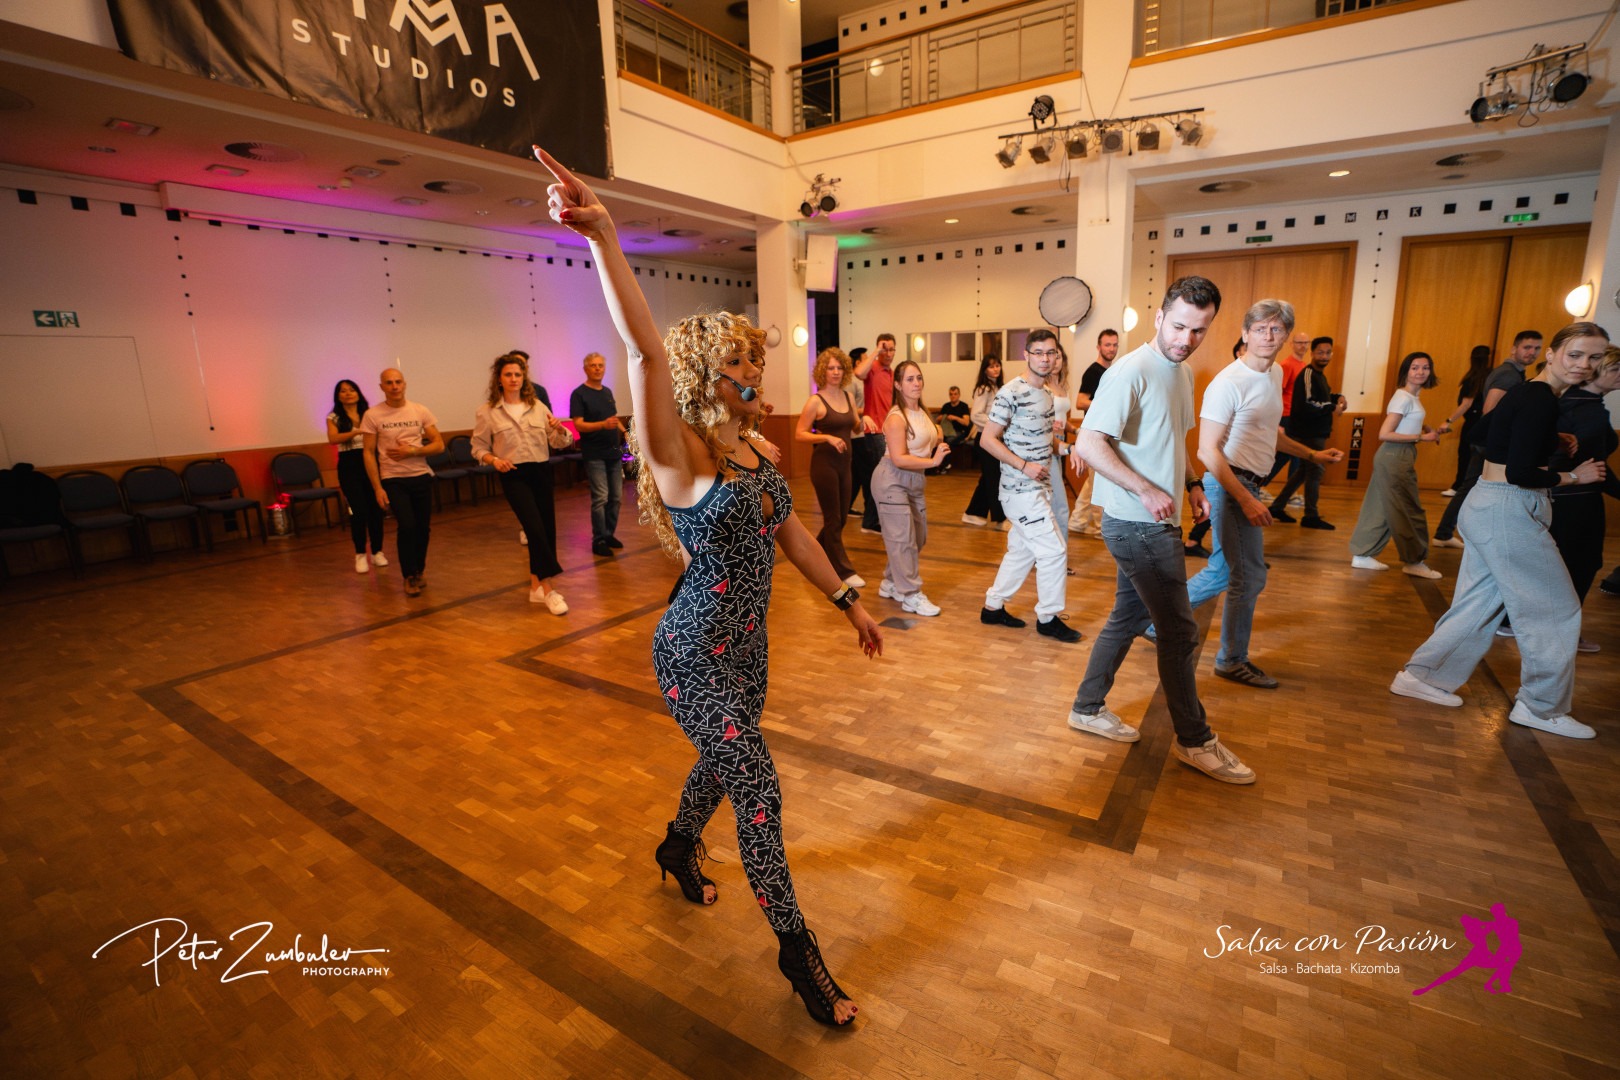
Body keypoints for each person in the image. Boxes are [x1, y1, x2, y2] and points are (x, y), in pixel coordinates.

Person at [537, 146, 881, 1026]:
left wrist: (848, 600)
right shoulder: (680, 455)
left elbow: (790, 532)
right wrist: (603, 235)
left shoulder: (756, 447)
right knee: (757, 787)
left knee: (723, 762)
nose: (755, 379)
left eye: (755, 364)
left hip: (750, 649)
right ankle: (799, 954)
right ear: (707, 376)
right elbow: (644, 351)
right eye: (740, 369)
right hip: (691, 651)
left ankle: (677, 845)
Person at [1067, 276, 1257, 785]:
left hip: (1158, 519)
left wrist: (1192, 483)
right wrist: (1146, 489)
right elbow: (1089, 443)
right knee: (1179, 633)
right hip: (1137, 525)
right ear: (1158, 317)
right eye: (1178, 326)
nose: (1185, 339)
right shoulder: (1130, 371)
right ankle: (1195, 741)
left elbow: (1173, 439)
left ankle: (1087, 707)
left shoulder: (1183, 371)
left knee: (1126, 617)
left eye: (1198, 330)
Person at [1392, 322, 1609, 739]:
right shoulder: (1540, 398)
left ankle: (1422, 677)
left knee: (1480, 604)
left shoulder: (1528, 393)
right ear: (1551, 354)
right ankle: (1541, 708)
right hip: (1509, 508)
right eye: (1576, 354)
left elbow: (1480, 432)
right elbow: (1522, 472)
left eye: (1595, 357)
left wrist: (1548, 438)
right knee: (1555, 608)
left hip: (1488, 503)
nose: (1584, 364)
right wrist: (1574, 477)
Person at [1169, 300, 1345, 689]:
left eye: (1276, 329)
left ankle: (1153, 622)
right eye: (1260, 328)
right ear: (1245, 334)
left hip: (1248, 484)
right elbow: (1207, 451)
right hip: (1229, 485)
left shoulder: (1275, 373)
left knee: (1223, 571)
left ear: (1286, 336)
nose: (1268, 336)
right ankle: (1231, 660)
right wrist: (1247, 500)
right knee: (1249, 578)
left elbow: (1271, 435)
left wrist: (1312, 455)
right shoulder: (1228, 383)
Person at [979, 329, 1082, 641]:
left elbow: (1046, 441)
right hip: (1020, 491)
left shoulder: (1047, 394)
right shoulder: (1010, 392)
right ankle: (1048, 617)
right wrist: (1024, 466)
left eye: (1051, 352)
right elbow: (987, 439)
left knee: (1021, 552)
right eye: (1038, 352)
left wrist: (1069, 449)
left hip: (1040, 488)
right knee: (1054, 551)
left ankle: (993, 607)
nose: (1045, 358)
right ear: (1026, 355)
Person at [473, 353, 570, 613]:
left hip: (541, 471)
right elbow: (478, 447)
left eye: (518, 374)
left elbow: (559, 442)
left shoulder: (537, 406)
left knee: (546, 529)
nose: (514, 379)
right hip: (514, 474)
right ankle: (549, 590)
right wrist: (494, 460)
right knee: (534, 530)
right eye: (508, 374)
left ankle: (535, 587)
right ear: (499, 379)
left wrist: (560, 430)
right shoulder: (488, 412)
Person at [1434, 330, 1543, 546]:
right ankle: (1445, 533)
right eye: (1527, 347)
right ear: (1514, 349)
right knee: (1471, 489)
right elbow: (1489, 409)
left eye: (1537, 348)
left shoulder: (1509, 372)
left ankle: (1445, 533)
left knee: (1471, 488)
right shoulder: (1508, 375)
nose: (1532, 352)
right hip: (1489, 444)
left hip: (1487, 441)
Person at [1348, 353, 1447, 578]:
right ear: (1406, 371)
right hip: (1395, 456)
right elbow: (1385, 433)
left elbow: (1405, 422)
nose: (1420, 372)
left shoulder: (1411, 397)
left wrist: (1424, 427)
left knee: (1380, 507)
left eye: (1425, 367)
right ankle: (1414, 561)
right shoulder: (1403, 398)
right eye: (1415, 367)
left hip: (1395, 456)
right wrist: (1422, 437)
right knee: (1409, 510)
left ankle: (1362, 555)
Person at [1549, 344, 1620, 649]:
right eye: (1615, 369)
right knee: (1580, 565)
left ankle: (1555, 631)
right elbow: (1594, 466)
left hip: (1568, 496)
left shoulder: (1578, 402)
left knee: (1568, 565)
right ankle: (1562, 635)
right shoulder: (1587, 409)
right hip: (1576, 499)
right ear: (1594, 373)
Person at [872, 359, 950, 616]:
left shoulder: (923, 413)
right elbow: (899, 458)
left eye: (918, 378)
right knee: (903, 539)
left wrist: (937, 439)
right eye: (909, 379)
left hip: (915, 481)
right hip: (892, 480)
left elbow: (930, 435)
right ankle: (910, 595)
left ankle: (891, 581)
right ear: (897, 385)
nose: (916, 383)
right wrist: (933, 461)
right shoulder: (896, 418)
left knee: (917, 537)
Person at [359, 367, 444, 597]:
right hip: (393, 478)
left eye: (398, 382)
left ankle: (419, 570)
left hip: (420, 475)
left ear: (404, 384)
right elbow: (368, 452)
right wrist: (377, 487)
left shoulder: (419, 410)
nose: (394, 386)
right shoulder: (373, 415)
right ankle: (409, 575)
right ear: (382, 387)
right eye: (389, 382)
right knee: (407, 525)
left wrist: (413, 451)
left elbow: (438, 444)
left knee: (422, 528)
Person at [795, 347, 864, 588]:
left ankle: (812, 554)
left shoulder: (848, 397)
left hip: (845, 464)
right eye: (831, 368)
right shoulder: (816, 401)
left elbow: (855, 427)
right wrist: (826, 437)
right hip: (824, 465)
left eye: (839, 368)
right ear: (823, 371)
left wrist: (865, 422)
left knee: (841, 518)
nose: (835, 372)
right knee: (833, 519)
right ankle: (843, 571)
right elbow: (799, 434)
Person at [1269, 333, 1348, 529]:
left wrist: (1337, 396)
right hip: (1306, 432)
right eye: (1320, 352)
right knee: (1315, 470)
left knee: (1303, 471)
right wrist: (1332, 406)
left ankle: (1277, 507)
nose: (1324, 356)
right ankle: (1310, 515)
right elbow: (1308, 403)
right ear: (1312, 353)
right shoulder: (1307, 373)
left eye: (1328, 353)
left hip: (1315, 432)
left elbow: (1321, 397)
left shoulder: (1318, 375)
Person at [325, 379, 387, 574]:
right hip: (349, 465)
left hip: (372, 462)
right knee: (358, 511)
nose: (348, 393)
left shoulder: (370, 413)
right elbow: (333, 438)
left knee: (376, 509)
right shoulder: (334, 417)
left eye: (351, 390)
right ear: (338, 396)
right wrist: (358, 431)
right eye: (343, 391)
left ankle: (377, 552)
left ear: (358, 393)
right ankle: (360, 553)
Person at [571, 352, 625, 557]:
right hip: (594, 454)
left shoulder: (607, 392)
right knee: (601, 498)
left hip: (613, 452)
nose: (597, 368)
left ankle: (609, 534)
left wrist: (625, 431)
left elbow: (613, 418)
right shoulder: (579, 394)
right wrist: (602, 425)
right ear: (585, 369)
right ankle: (598, 540)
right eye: (593, 365)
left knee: (616, 497)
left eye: (600, 365)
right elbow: (578, 424)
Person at [1067, 329, 1118, 536]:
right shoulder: (1093, 372)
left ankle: (1077, 522)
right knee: (1099, 482)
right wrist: (1106, 405)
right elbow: (1080, 402)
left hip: (1104, 433)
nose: (1111, 349)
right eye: (1107, 345)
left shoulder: (1110, 372)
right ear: (1099, 347)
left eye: (1114, 345)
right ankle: (1099, 527)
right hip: (1094, 434)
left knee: (1093, 481)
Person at [853, 335, 898, 535]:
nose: (888, 353)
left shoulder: (893, 374)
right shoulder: (872, 368)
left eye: (891, 349)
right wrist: (876, 351)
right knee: (882, 476)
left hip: (888, 431)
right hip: (874, 431)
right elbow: (858, 372)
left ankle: (872, 520)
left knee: (880, 477)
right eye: (884, 349)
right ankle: (872, 521)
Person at [1439, 345, 1493, 497]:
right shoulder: (1491, 376)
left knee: (1465, 455)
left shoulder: (1473, 378)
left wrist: (1448, 421)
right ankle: (1472, 488)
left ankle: (1459, 487)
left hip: (1473, 423)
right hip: (1486, 422)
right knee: (1478, 458)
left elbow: (1466, 404)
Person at [962, 355, 1008, 527]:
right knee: (994, 478)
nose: (996, 369)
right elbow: (975, 415)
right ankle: (1000, 519)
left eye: (997, 365)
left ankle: (973, 513)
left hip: (995, 439)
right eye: (991, 366)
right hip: (985, 439)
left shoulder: (999, 388)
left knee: (988, 478)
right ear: (985, 370)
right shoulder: (984, 389)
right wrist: (996, 425)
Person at [1264, 332, 1313, 487]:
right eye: (1299, 342)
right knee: (1293, 453)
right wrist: (1277, 422)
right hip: (1286, 416)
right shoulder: (1287, 365)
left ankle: (1265, 484)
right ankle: (1284, 489)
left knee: (1288, 454)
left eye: (1306, 343)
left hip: (1296, 417)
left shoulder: (1303, 365)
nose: (1303, 346)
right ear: (1291, 344)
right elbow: (1276, 391)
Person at [938, 385, 972, 454]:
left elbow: (966, 422)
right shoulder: (946, 406)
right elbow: (938, 420)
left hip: (960, 431)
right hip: (947, 431)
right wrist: (943, 417)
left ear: (959, 395)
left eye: (955, 394)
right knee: (938, 438)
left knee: (949, 440)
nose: (953, 396)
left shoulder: (964, 406)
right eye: (951, 394)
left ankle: (949, 459)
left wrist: (955, 418)